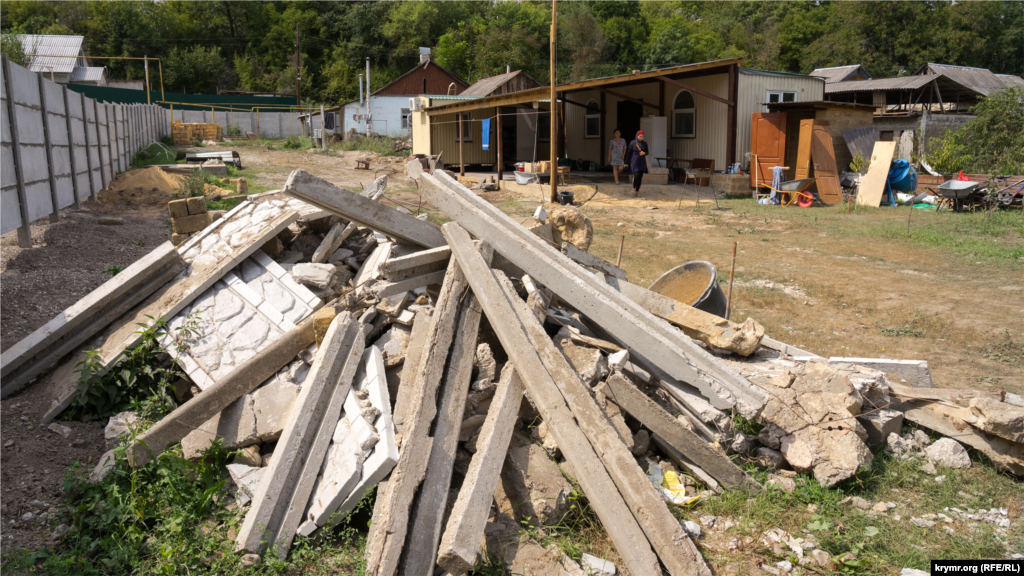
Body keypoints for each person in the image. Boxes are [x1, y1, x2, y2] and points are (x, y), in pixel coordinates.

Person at [623, 130, 649, 196]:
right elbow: (628, 153)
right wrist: (626, 162)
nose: (641, 138)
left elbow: (647, 152)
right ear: (637, 136)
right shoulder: (632, 143)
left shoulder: (645, 143)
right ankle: (633, 188)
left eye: (642, 137)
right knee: (636, 175)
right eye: (640, 136)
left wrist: (644, 153)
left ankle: (637, 190)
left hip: (642, 161)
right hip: (634, 161)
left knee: (640, 176)